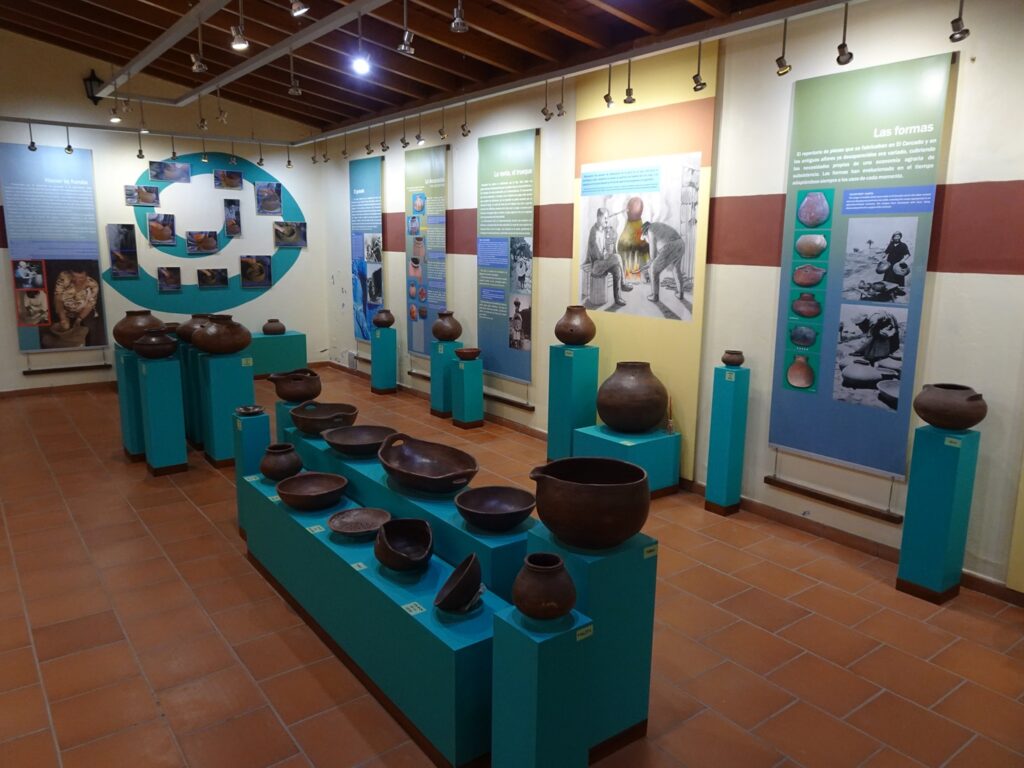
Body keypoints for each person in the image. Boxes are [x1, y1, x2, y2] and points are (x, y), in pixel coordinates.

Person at [585, 208, 631, 306]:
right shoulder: (594, 233)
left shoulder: (602, 230)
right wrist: (607, 255)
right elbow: (597, 255)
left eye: (607, 218)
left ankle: (618, 298)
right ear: (598, 218)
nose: (606, 221)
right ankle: (623, 284)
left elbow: (607, 247)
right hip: (596, 266)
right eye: (604, 218)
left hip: (602, 264)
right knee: (617, 257)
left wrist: (608, 249)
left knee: (617, 269)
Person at [51, 266, 101, 345]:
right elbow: (58, 298)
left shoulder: (92, 284)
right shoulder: (64, 276)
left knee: (90, 329)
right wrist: (63, 318)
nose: (77, 280)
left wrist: (79, 319)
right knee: (62, 327)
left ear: (87, 276)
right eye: (74, 277)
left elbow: (89, 305)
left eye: (81, 278)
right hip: (65, 309)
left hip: (84, 310)